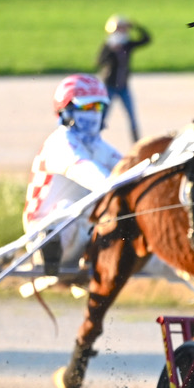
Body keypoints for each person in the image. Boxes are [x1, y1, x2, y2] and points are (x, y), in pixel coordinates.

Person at [23, 74, 122, 276]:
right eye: (86, 107)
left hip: (83, 230)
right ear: (66, 110)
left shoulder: (98, 146)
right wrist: (118, 187)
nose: (94, 114)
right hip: (41, 231)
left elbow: (127, 170)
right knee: (69, 206)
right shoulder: (59, 143)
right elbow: (87, 172)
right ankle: (50, 250)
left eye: (99, 107)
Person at [96, 14, 151, 143]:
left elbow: (146, 39)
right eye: (120, 28)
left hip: (123, 87)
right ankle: (95, 139)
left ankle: (136, 143)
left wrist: (136, 26)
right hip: (109, 86)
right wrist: (111, 52)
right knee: (103, 115)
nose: (123, 31)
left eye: (124, 28)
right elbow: (99, 61)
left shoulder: (127, 45)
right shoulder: (108, 45)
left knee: (132, 116)